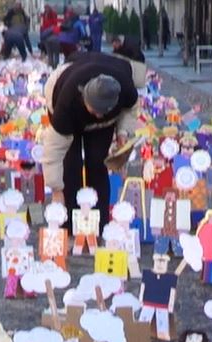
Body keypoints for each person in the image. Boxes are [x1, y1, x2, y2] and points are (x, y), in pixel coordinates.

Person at [39, 47, 147, 216]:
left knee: (98, 162)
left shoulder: (126, 89)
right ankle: (68, 219)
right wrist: (56, 190)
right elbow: (54, 150)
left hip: (104, 119)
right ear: (84, 97)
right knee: (70, 164)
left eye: (103, 111)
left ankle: (99, 220)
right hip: (67, 101)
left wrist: (123, 133)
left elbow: (129, 110)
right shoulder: (66, 102)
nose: (98, 115)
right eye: (95, 110)